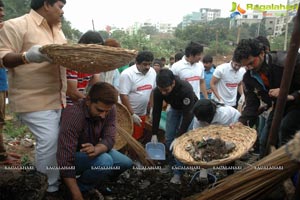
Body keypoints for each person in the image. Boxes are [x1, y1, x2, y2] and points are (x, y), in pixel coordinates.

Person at [0, 0, 67, 194]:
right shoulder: (17, 25)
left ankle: (50, 179)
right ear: (47, 4)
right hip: (32, 98)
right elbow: (2, 58)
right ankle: (48, 187)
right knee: (49, 139)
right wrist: (26, 57)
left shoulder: (58, 31)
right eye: (60, 7)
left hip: (57, 97)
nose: (61, 12)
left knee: (54, 141)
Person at [57, 82, 132, 199]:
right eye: (99, 110)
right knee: (104, 161)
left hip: (94, 150)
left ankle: (90, 183)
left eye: (106, 112)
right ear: (88, 101)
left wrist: (98, 148)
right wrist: (76, 195)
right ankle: (75, 190)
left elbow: (110, 137)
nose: (103, 115)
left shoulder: (109, 109)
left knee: (125, 163)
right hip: (72, 157)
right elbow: (65, 158)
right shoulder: (73, 116)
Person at [233, 38, 300, 157]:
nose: (249, 68)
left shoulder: (288, 61)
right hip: (279, 107)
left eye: (251, 63)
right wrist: (242, 122)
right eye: (245, 66)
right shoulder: (248, 78)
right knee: (265, 139)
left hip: (297, 104)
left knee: (285, 130)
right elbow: (252, 103)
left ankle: (285, 169)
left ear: (262, 53)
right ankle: (264, 168)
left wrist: (290, 95)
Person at [151, 68, 198, 184]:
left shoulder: (185, 89)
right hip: (174, 108)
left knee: (181, 142)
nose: (163, 93)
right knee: (168, 138)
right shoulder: (158, 91)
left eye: (166, 90)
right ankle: (171, 165)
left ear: (173, 83)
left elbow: (187, 115)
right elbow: (156, 111)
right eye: (161, 90)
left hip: (189, 110)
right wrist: (154, 133)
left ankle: (178, 172)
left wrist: (179, 136)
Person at [119, 50, 156, 140]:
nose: (147, 67)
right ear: (137, 63)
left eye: (149, 64)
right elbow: (123, 95)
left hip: (142, 113)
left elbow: (152, 91)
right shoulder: (127, 74)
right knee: (126, 139)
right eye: (144, 64)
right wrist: (132, 114)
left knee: (137, 137)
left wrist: (152, 108)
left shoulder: (152, 72)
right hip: (127, 114)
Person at [66, 31, 103, 106]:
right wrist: (91, 103)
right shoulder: (71, 62)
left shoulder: (91, 63)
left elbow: (95, 85)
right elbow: (72, 93)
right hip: (68, 106)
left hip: (80, 103)